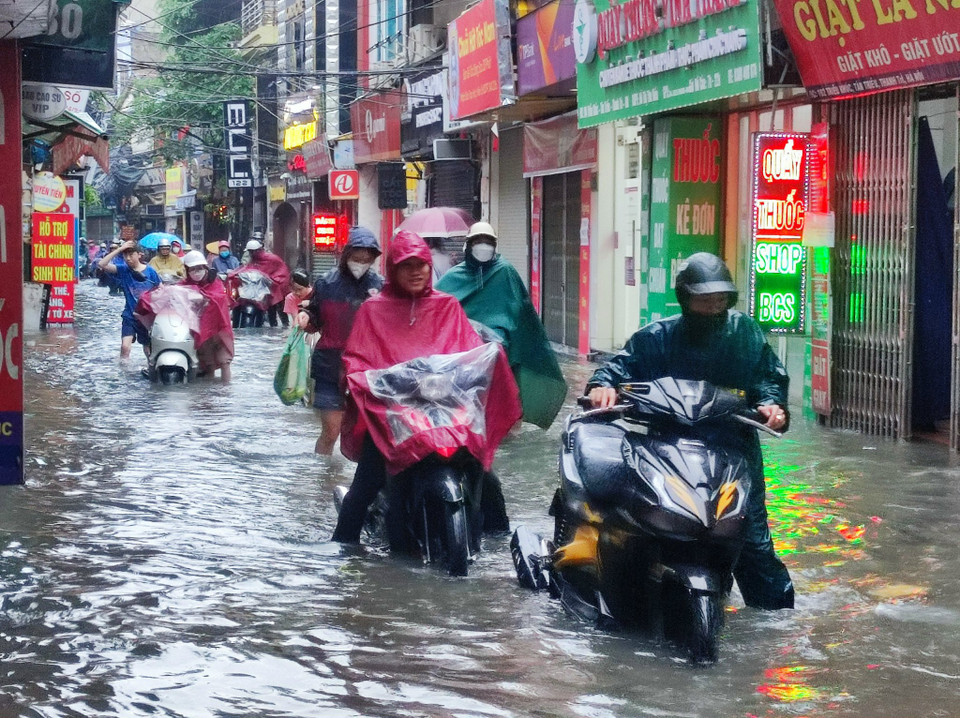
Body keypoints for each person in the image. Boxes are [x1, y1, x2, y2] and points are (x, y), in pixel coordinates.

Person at [585, 252, 794, 610]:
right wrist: (602, 387)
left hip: (732, 451)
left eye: (719, 301)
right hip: (665, 449)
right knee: (634, 525)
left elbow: (768, 380)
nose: (713, 309)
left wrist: (773, 407)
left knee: (754, 544)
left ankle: (776, 619)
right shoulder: (655, 338)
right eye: (704, 301)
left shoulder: (744, 333)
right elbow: (615, 370)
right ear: (685, 300)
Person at [331, 230, 522, 543]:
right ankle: (342, 548)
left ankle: (502, 543)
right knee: (364, 486)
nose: (417, 271)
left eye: (421, 264)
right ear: (393, 270)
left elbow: (470, 348)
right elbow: (356, 358)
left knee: (487, 479)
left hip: (446, 412)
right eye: (407, 265)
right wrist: (360, 378)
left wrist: (489, 360)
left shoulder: (447, 306)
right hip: (393, 416)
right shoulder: (373, 310)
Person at [437, 221, 566, 429]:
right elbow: (437, 308)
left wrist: (503, 337)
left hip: (500, 352)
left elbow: (521, 312)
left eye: (487, 242)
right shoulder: (454, 277)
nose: (482, 246)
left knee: (504, 399)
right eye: (477, 241)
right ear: (468, 245)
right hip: (464, 354)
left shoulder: (505, 271)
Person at [296, 227, 384, 454]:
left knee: (367, 435)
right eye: (356, 258)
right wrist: (307, 316)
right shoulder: (326, 283)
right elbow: (314, 313)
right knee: (331, 432)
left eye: (366, 259)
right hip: (330, 367)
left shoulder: (381, 287)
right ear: (346, 255)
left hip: (368, 369)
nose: (361, 263)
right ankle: (322, 478)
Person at [98, 239, 161, 359]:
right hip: (129, 316)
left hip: (146, 318)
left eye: (131, 254)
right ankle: (123, 373)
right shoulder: (123, 270)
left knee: (148, 350)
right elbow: (102, 264)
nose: (128, 258)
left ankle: (151, 369)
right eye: (125, 255)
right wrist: (120, 249)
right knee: (125, 348)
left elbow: (161, 290)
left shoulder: (151, 272)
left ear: (139, 255)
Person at [181, 250, 234, 382]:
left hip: (219, 328)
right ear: (187, 270)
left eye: (199, 268)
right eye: (192, 269)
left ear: (205, 268)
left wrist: (203, 297)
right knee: (207, 362)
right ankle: (208, 392)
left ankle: (226, 394)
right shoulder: (185, 284)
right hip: (201, 329)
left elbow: (220, 298)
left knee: (224, 362)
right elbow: (175, 294)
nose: (196, 272)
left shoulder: (215, 283)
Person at [236, 236, 291, 327]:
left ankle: (285, 324)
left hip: (277, 284)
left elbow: (281, 271)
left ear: (257, 250)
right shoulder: (254, 260)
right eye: (249, 251)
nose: (250, 253)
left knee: (279, 304)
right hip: (265, 285)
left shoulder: (272, 258)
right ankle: (273, 325)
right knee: (270, 306)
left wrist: (274, 280)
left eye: (251, 251)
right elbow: (248, 268)